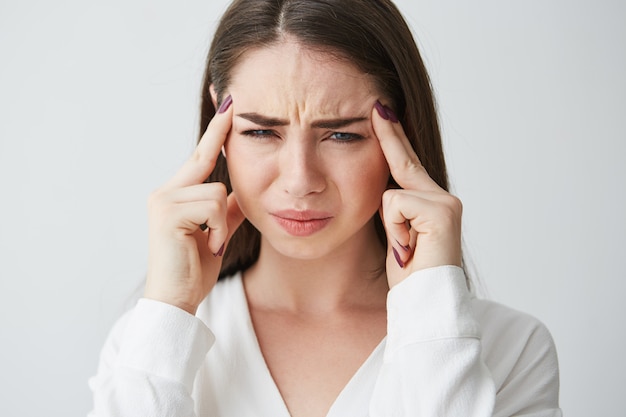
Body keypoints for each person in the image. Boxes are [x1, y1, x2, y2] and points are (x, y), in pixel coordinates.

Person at [88, 0, 562, 416]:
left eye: (341, 135)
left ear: (400, 132)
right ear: (219, 123)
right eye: (260, 131)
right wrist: (169, 309)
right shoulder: (148, 345)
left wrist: (433, 318)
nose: (300, 181)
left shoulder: (511, 349)